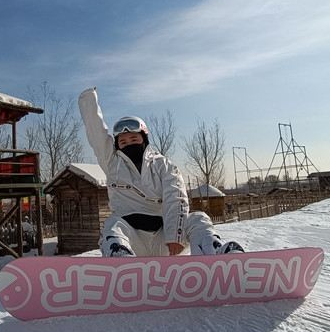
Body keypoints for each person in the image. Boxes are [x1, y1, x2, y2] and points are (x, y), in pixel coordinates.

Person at [78, 87, 244, 257]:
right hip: (132, 239)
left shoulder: (163, 165)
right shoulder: (112, 163)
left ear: (144, 139)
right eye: (123, 142)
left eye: (134, 139)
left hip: (164, 239)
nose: (129, 143)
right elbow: (96, 134)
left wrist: (175, 236)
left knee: (198, 219)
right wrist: (88, 100)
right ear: (117, 145)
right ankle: (120, 258)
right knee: (113, 225)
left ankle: (216, 253)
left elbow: (176, 196)